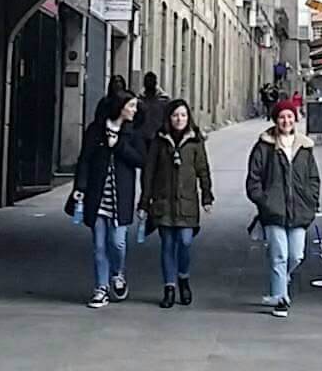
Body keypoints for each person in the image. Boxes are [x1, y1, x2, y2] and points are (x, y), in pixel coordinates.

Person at [67, 90, 144, 308]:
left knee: (118, 242)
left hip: (121, 196)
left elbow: (141, 160)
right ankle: (100, 288)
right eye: (131, 106)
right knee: (99, 245)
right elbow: (85, 160)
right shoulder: (96, 130)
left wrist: (118, 146)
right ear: (120, 107)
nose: (134, 110)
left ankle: (117, 274)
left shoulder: (133, 133)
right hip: (97, 194)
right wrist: (80, 187)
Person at [245, 100, 320, 319]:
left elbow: (313, 178)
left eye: (289, 116)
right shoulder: (264, 146)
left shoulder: (304, 147)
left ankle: (282, 279)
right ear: (275, 120)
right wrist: (264, 201)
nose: (286, 121)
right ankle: (280, 299)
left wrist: (311, 201)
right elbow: (254, 178)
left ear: (295, 119)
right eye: (281, 117)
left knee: (296, 255)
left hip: (299, 211)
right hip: (273, 212)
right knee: (279, 255)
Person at [141, 99, 213, 309]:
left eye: (182, 115)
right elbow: (149, 172)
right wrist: (145, 202)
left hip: (187, 202)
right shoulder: (159, 140)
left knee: (185, 241)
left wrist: (207, 195)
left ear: (188, 117)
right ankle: (169, 287)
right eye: (175, 115)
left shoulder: (195, 141)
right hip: (163, 202)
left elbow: (203, 170)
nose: (179, 119)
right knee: (167, 245)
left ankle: (183, 277)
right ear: (168, 118)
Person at [135, 72, 170, 143]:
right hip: (141, 136)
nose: (149, 83)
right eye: (147, 81)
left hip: (159, 137)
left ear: (155, 82)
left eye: (151, 81)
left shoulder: (164, 100)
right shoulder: (139, 100)